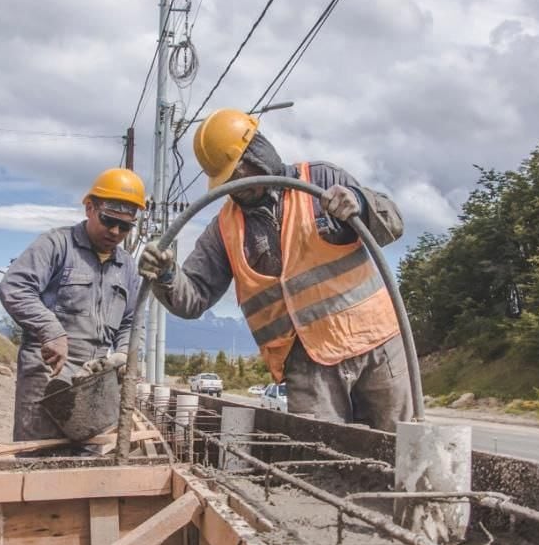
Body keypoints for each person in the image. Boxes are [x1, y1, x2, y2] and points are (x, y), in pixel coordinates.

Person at [139, 108, 411, 431]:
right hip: (308, 364)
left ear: (260, 150)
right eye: (229, 181)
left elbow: (391, 224)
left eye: (242, 173)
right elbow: (192, 296)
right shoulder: (224, 231)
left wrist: (360, 203)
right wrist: (167, 275)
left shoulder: (321, 180)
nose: (239, 188)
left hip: (377, 346)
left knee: (401, 447)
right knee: (322, 457)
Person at [0, 168, 144, 440]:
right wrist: (50, 330)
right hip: (48, 375)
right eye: (108, 220)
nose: (115, 232)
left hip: (94, 382)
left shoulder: (126, 267)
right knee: (37, 461)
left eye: (125, 227)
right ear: (90, 208)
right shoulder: (56, 245)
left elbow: (130, 322)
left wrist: (124, 354)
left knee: (86, 462)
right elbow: (14, 287)